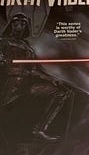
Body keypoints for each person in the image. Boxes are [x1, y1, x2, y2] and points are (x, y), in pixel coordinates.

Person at [0, 12, 71, 143]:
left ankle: (39, 130)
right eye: (16, 22)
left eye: (23, 23)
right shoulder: (3, 42)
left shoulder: (28, 47)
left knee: (62, 92)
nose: (19, 26)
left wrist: (51, 79)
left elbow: (35, 69)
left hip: (27, 85)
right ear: (11, 25)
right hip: (9, 85)